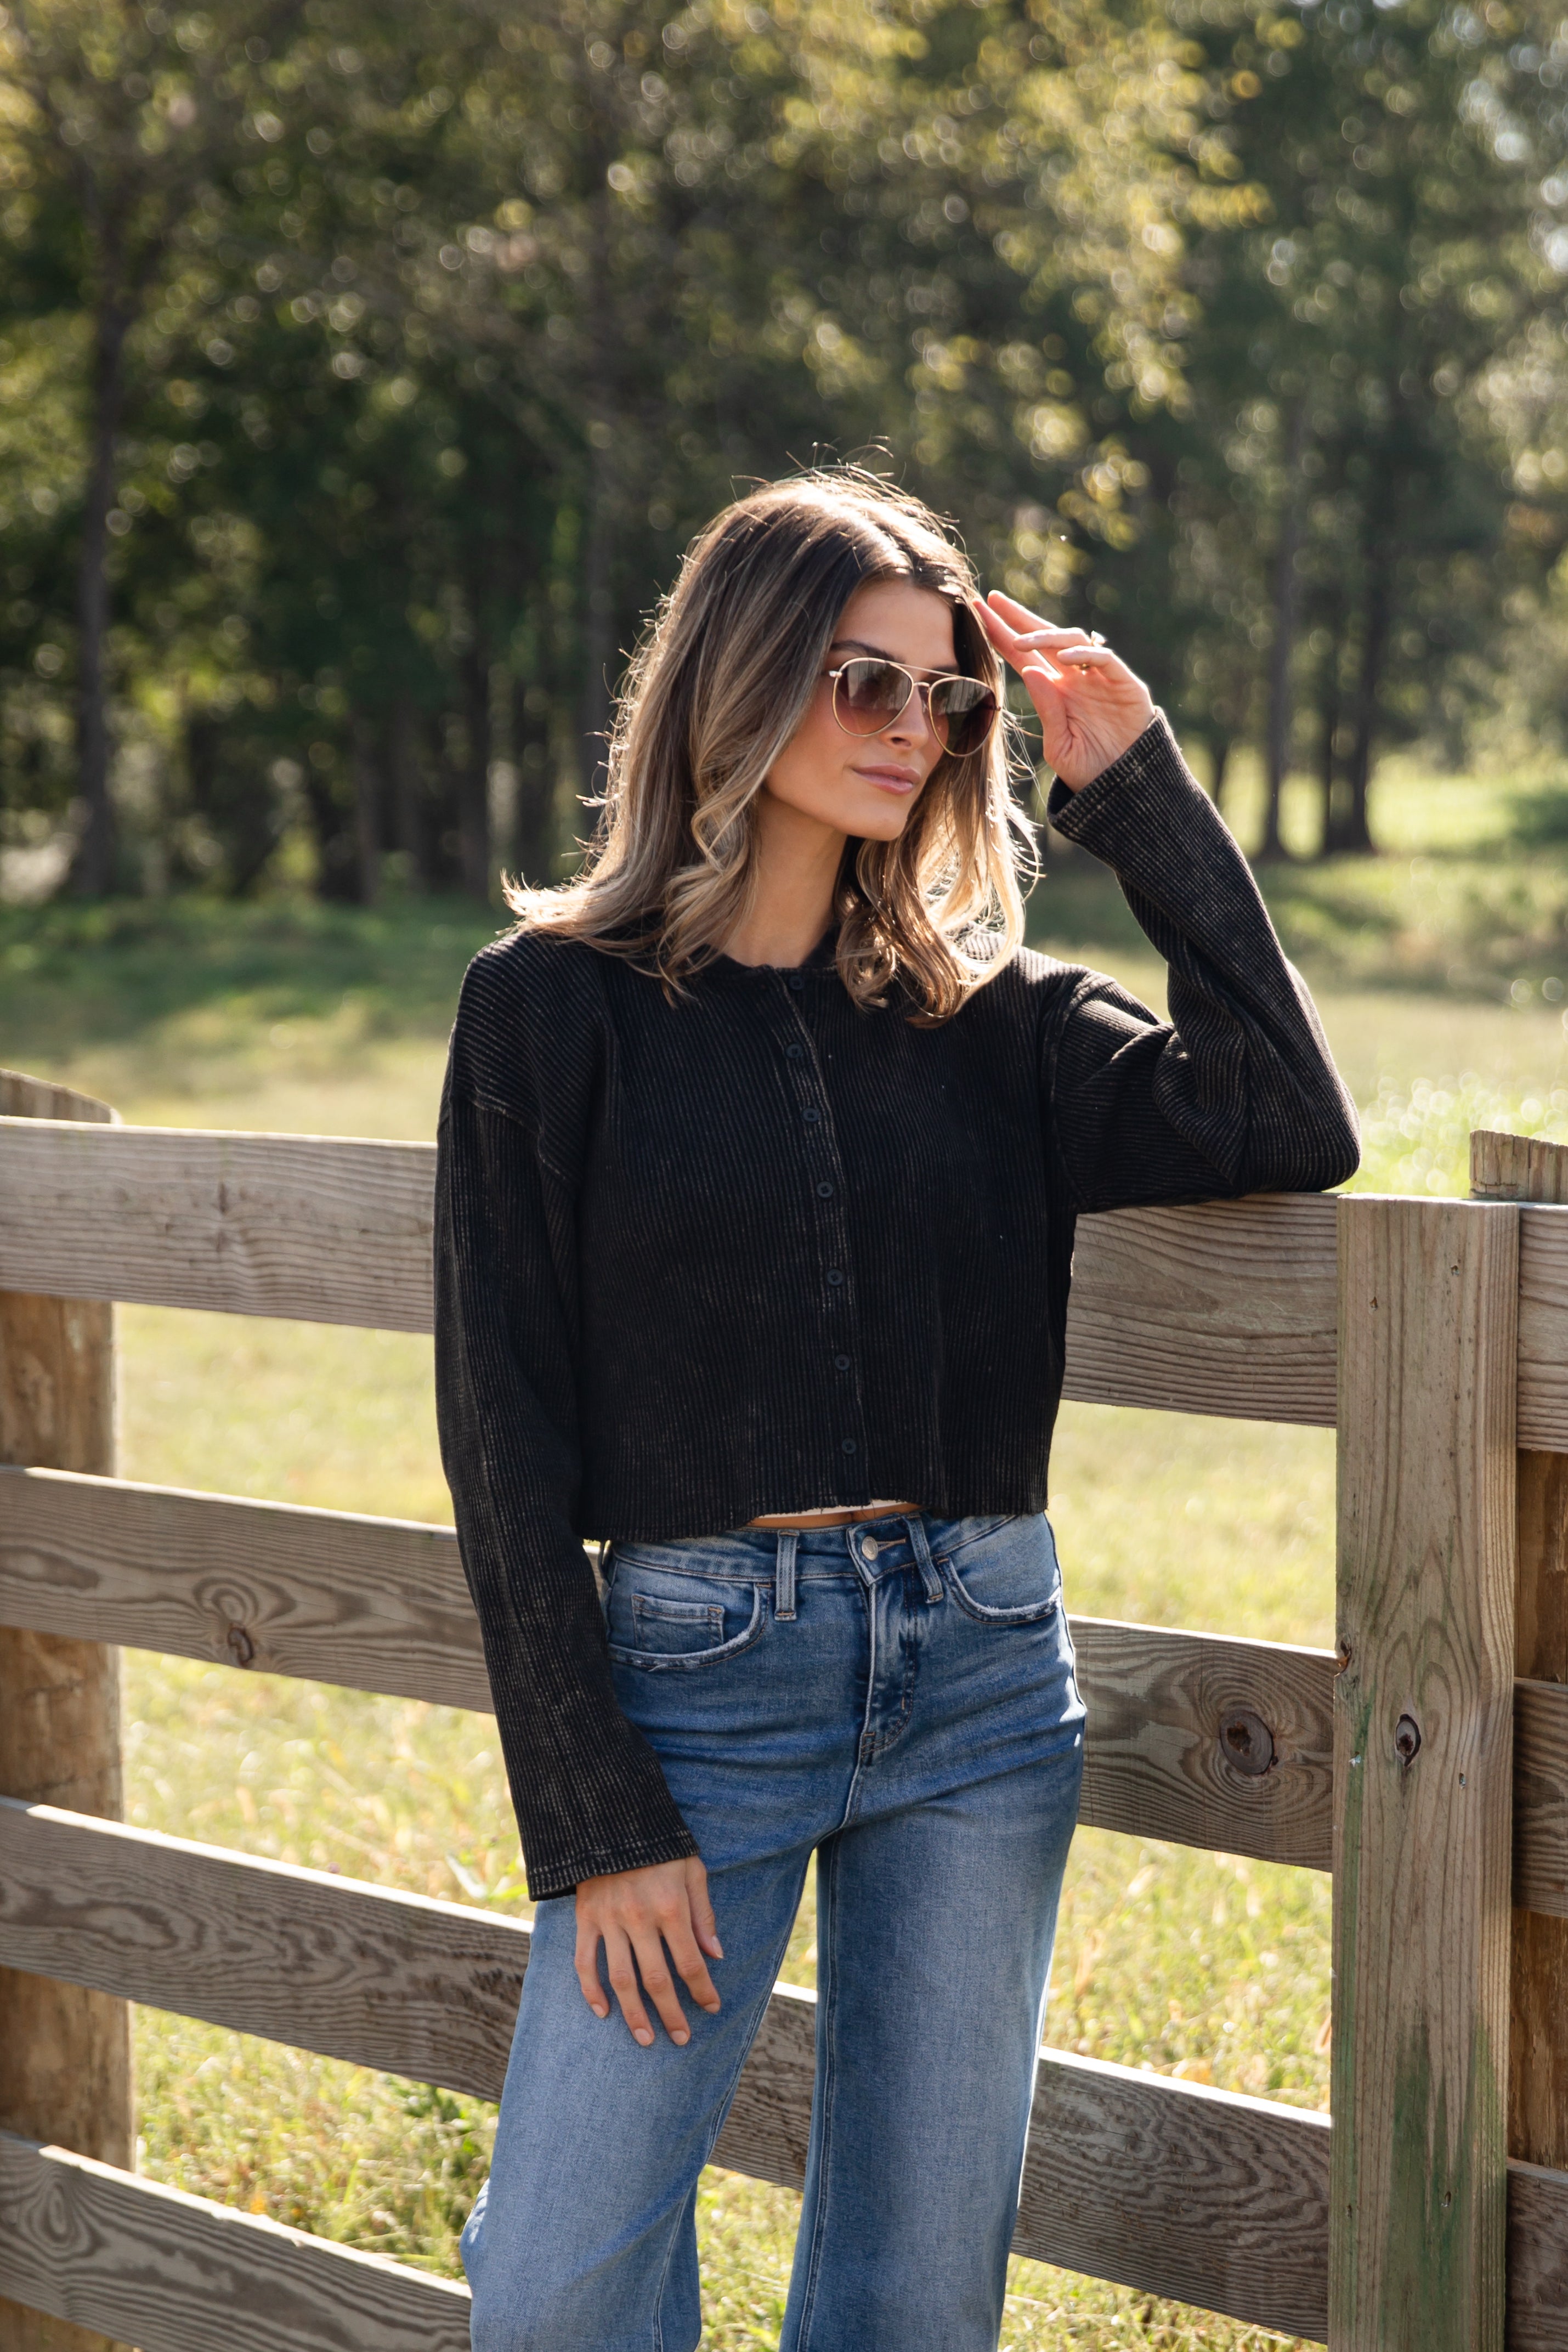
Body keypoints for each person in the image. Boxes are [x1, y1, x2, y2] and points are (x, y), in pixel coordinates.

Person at [434, 467, 1357, 2352]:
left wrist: (1136, 785)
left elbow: (1283, 1117)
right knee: (553, 2289)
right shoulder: (548, 1011)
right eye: (861, 680)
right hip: (697, 1691)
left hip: (981, 1684)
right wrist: (595, 1816)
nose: (908, 730)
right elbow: (502, 1434)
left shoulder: (1000, 1019)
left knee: (913, 2308)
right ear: (739, 675)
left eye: (941, 698)